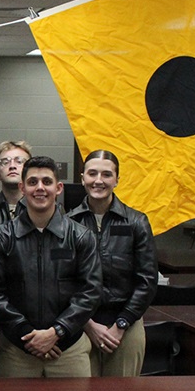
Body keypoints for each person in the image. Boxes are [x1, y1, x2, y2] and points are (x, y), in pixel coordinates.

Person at [0, 155, 101, 378]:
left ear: (58, 188)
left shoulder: (81, 236)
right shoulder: (1, 237)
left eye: (47, 182)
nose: (40, 188)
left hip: (68, 349)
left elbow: (90, 291)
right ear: (22, 187)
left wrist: (57, 332)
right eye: (32, 182)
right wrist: (29, 334)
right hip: (17, 349)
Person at [67, 149, 157, 377]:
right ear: (82, 178)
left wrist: (122, 324)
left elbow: (147, 281)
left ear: (117, 180)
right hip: (81, 324)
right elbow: (63, 280)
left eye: (106, 175)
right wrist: (88, 324)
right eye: (92, 174)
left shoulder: (137, 222)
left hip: (126, 323)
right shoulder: (67, 224)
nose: (98, 180)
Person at [0, 140, 30, 226]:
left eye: (19, 161)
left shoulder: (42, 208)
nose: (12, 166)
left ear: (30, 172)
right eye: (5, 162)